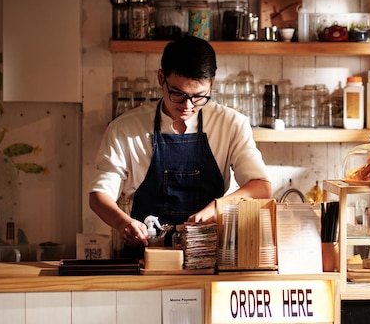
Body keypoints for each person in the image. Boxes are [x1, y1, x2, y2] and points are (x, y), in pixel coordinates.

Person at [89, 36, 271, 258]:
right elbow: (99, 195)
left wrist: (218, 207)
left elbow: (261, 187)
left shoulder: (231, 124)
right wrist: (122, 223)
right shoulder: (125, 129)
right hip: (146, 259)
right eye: (177, 94)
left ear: (211, 83)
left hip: (209, 257)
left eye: (198, 97)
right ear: (160, 78)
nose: (187, 106)